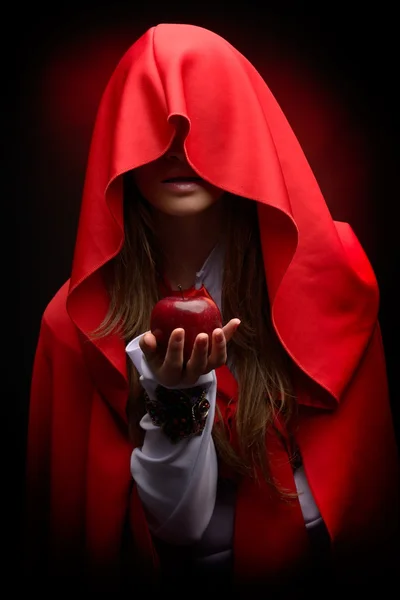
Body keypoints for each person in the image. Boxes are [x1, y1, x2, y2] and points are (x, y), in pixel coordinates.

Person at [23, 22, 399, 593]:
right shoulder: (73, 323)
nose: (179, 143)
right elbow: (172, 530)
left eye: (201, 119)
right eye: (155, 122)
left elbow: (365, 504)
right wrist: (178, 401)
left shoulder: (330, 274)